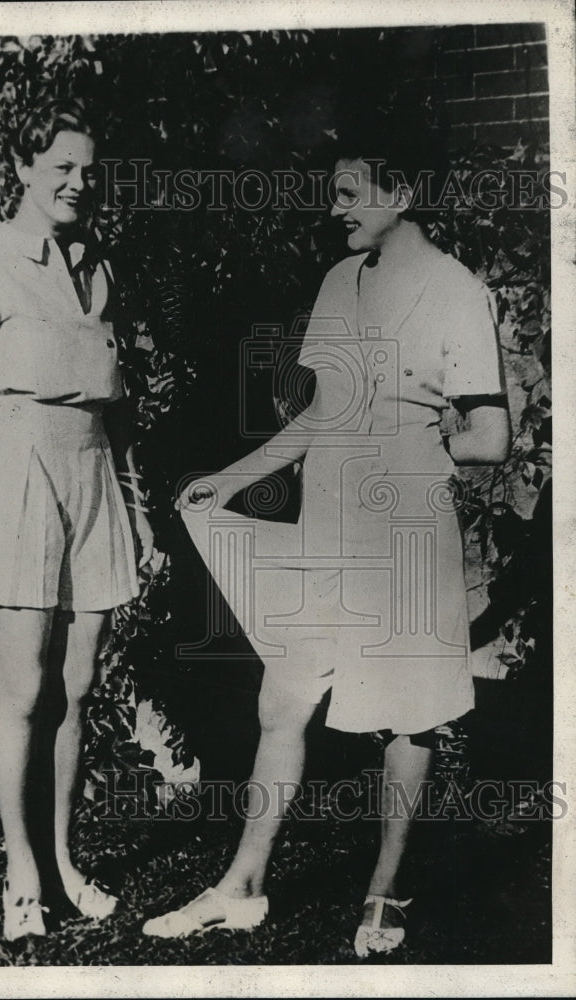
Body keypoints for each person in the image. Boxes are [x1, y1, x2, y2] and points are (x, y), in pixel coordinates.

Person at [143, 116, 510, 955]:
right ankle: (241, 887)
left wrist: (416, 452)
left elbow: (489, 436)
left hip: (407, 532)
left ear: (402, 193)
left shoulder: (457, 291)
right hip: (329, 522)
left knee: (408, 719)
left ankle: (387, 895)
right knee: (284, 698)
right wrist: (234, 477)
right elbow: (323, 411)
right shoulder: (341, 280)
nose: (334, 207)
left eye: (349, 192)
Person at [0, 101, 153, 941]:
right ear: (23, 168)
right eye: (59, 166)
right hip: (15, 472)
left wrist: (135, 502)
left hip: (92, 468)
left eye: (88, 170)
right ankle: (20, 873)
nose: (77, 182)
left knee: (77, 690)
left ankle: (62, 863)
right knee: (22, 691)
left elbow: (117, 406)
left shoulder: (99, 269)